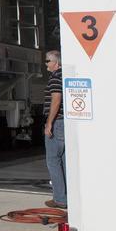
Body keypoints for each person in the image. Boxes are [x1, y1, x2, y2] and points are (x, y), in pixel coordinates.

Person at [43, 49, 67, 209]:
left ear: (56, 63)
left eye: (47, 61)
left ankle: (60, 198)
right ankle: (68, 196)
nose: (46, 64)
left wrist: (49, 122)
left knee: (53, 160)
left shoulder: (55, 78)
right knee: (65, 161)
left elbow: (56, 100)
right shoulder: (65, 76)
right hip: (65, 123)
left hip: (57, 123)